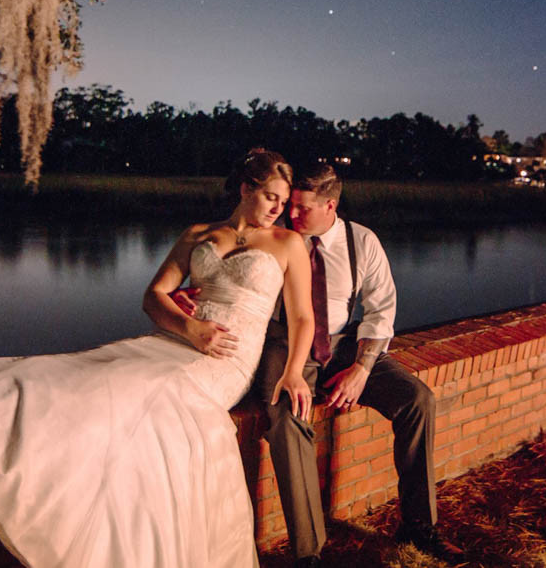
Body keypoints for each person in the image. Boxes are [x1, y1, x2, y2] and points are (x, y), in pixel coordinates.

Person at [0, 149, 316, 568]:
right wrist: (188, 326)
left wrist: (294, 372)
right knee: (68, 370)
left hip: (223, 364)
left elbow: (301, 318)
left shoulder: (286, 244)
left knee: (130, 390)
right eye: (270, 196)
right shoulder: (199, 233)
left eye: (282, 200)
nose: (278, 208)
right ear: (245, 189)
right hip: (172, 342)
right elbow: (154, 296)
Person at [183, 162, 458, 566]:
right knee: (286, 414)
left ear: (331, 205)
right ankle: (309, 552)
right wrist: (192, 297)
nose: (292, 215)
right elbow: (231, 277)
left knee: (416, 399)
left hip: (345, 345)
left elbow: (381, 311)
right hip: (287, 342)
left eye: (303, 208)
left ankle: (419, 527)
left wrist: (362, 369)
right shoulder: (276, 237)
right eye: (290, 205)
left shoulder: (361, 241)